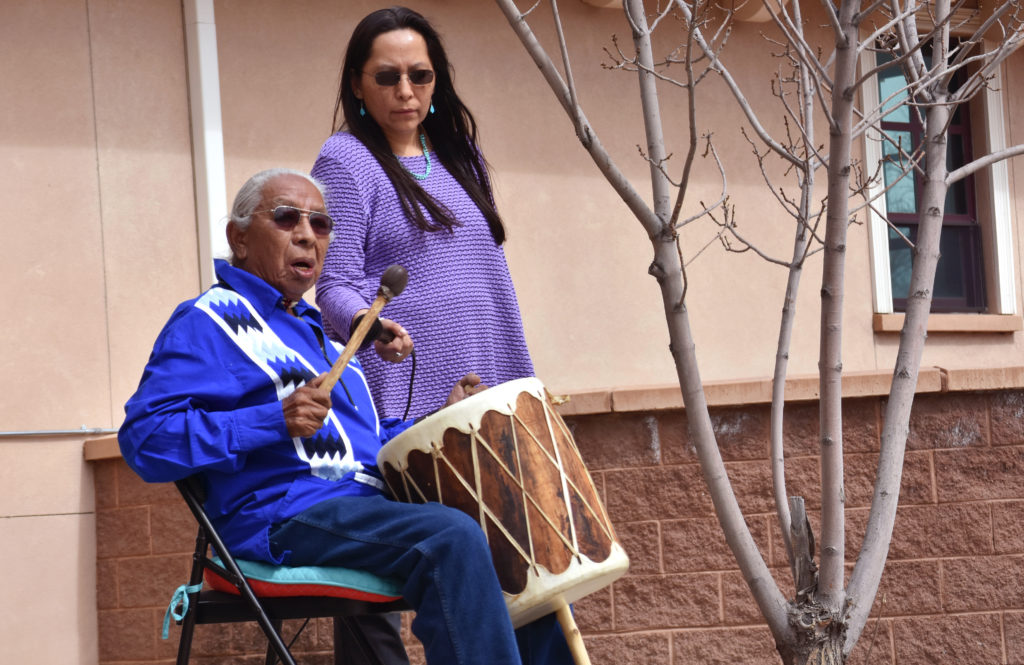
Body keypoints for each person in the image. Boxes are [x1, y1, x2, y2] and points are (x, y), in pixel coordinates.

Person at [118, 169, 571, 665]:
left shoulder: (324, 339)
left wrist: (441, 418)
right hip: (280, 518)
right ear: (239, 238)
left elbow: (368, 446)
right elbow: (145, 441)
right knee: (450, 536)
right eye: (287, 218)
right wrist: (272, 421)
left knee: (511, 533)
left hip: (360, 507)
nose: (307, 234)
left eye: (321, 224)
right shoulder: (208, 321)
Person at [312, 6, 534, 422]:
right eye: (386, 77)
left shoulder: (460, 153)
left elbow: (487, 273)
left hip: (486, 368)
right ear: (357, 85)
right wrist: (371, 328)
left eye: (419, 75)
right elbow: (334, 285)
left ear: (436, 81)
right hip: (402, 383)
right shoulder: (345, 159)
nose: (405, 90)